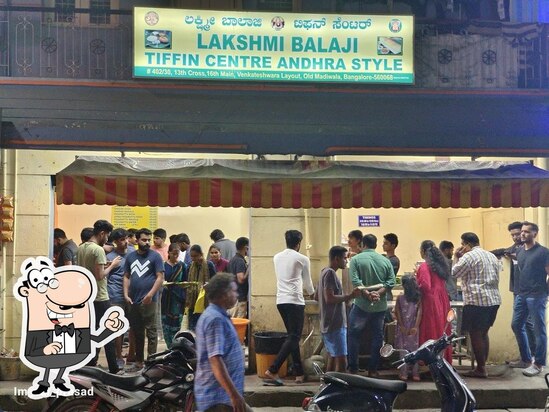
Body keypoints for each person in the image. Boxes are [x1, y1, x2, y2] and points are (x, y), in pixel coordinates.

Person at [195, 273, 252, 412]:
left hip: (223, 396)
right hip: (218, 397)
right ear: (223, 294)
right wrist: (234, 395)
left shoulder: (218, 315)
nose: (236, 294)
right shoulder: (215, 319)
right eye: (233, 290)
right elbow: (215, 360)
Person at [265, 230, 314, 385]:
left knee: (292, 337)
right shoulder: (302, 258)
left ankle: (299, 373)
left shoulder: (276, 257)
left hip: (281, 301)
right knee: (294, 337)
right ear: (299, 243)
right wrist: (313, 294)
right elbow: (308, 283)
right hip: (295, 301)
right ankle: (273, 369)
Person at [452, 232, 501, 378]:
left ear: (466, 244)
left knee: (475, 335)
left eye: (462, 244)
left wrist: (456, 257)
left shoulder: (469, 256)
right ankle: (483, 365)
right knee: (484, 333)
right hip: (493, 300)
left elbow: (454, 273)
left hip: (476, 300)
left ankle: (481, 369)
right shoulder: (491, 255)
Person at [77, 219, 122, 374]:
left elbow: (88, 270)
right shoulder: (98, 250)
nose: (108, 239)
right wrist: (113, 266)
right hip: (100, 297)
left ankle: (91, 363)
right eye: (107, 235)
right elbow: (100, 275)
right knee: (108, 332)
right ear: (102, 233)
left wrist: (105, 265)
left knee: (92, 331)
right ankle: (114, 368)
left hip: (87, 296)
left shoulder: (81, 248)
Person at [348, 234, 395, 377]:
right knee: (377, 337)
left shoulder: (355, 259)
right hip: (380, 307)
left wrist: (368, 294)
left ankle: (354, 369)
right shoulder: (385, 260)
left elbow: (356, 281)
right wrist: (378, 294)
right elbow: (390, 282)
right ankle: (373, 370)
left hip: (361, 305)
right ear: (376, 244)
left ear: (362, 244)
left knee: (354, 335)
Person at [492, 221, 536, 361]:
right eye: (513, 235)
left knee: (526, 323)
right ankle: (528, 356)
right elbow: (504, 250)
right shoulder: (514, 248)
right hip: (517, 290)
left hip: (529, 292)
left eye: (518, 234)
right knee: (523, 324)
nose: (516, 237)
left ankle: (531, 356)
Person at [123, 228, 165, 371]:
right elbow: (126, 276)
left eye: (149, 240)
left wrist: (151, 294)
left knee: (152, 332)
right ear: (137, 239)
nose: (147, 242)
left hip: (150, 300)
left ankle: (152, 362)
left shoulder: (155, 257)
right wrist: (125, 294)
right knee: (137, 331)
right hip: (133, 300)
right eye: (144, 240)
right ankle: (139, 362)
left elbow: (160, 277)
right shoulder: (130, 257)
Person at [511, 222, 549, 377]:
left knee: (539, 330)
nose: (522, 234)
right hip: (522, 294)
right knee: (516, 325)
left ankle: (538, 363)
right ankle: (526, 359)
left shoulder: (543, 252)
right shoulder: (519, 252)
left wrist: (545, 293)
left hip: (537, 295)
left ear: (535, 234)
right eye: (522, 232)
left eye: (527, 232)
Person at [316, 246, 360, 372]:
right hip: (335, 323)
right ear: (336, 259)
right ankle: (340, 388)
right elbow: (329, 298)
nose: (346, 261)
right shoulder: (330, 273)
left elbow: (316, 296)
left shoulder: (323, 272)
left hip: (327, 322)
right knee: (341, 358)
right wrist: (350, 296)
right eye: (345, 258)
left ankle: (328, 384)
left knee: (332, 356)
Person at [416, 240, 452, 364]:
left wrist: (414, 286)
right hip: (443, 300)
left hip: (430, 300)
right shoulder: (440, 265)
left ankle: (429, 362)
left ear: (423, 251)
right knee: (442, 329)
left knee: (431, 330)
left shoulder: (424, 266)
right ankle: (443, 360)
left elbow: (425, 285)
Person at [106, 228, 131, 370]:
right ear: (115, 242)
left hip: (132, 295)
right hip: (115, 295)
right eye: (122, 240)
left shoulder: (133, 254)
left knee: (133, 326)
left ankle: (132, 355)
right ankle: (118, 356)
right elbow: (106, 277)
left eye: (126, 238)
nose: (125, 242)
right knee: (118, 328)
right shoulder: (111, 257)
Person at [394, 274, 422, 381]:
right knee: (416, 351)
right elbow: (420, 313)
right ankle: (415, 373)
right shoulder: (418, 298)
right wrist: (416, 326)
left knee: (403, 351)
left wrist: (401, 325)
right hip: (414, 328)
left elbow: (397, 312)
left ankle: (404, 373)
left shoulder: (400, 298)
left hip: (403, 328)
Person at [162, 243, 187, 348]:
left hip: (178, 298)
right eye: (173, 254)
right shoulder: (163, 266)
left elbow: (186, 281)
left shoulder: (182, 266)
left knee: (176, 324)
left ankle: (175, 346)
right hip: (166, 297)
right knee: (166, 324)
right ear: (169, 253)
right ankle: (169, 346)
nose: (176, 256)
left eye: (177, 254)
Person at [186, 244, 217, 330]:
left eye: (195, 256)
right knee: (193, 328)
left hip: (205, 300)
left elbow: (215, 281)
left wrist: (209, 284)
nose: (193, 258)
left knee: (205, 327)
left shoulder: (209, 265)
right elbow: (187, 282)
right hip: (193, 301)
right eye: (191, 256)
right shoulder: (189, 266)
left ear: (201, 254)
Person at [228, 237, 250, 319]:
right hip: (240, 298)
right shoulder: (240, 261)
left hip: (234, 296)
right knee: (239, 323)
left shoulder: (232, 260)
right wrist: (249, 268)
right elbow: (241, 279)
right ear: (246, 248)